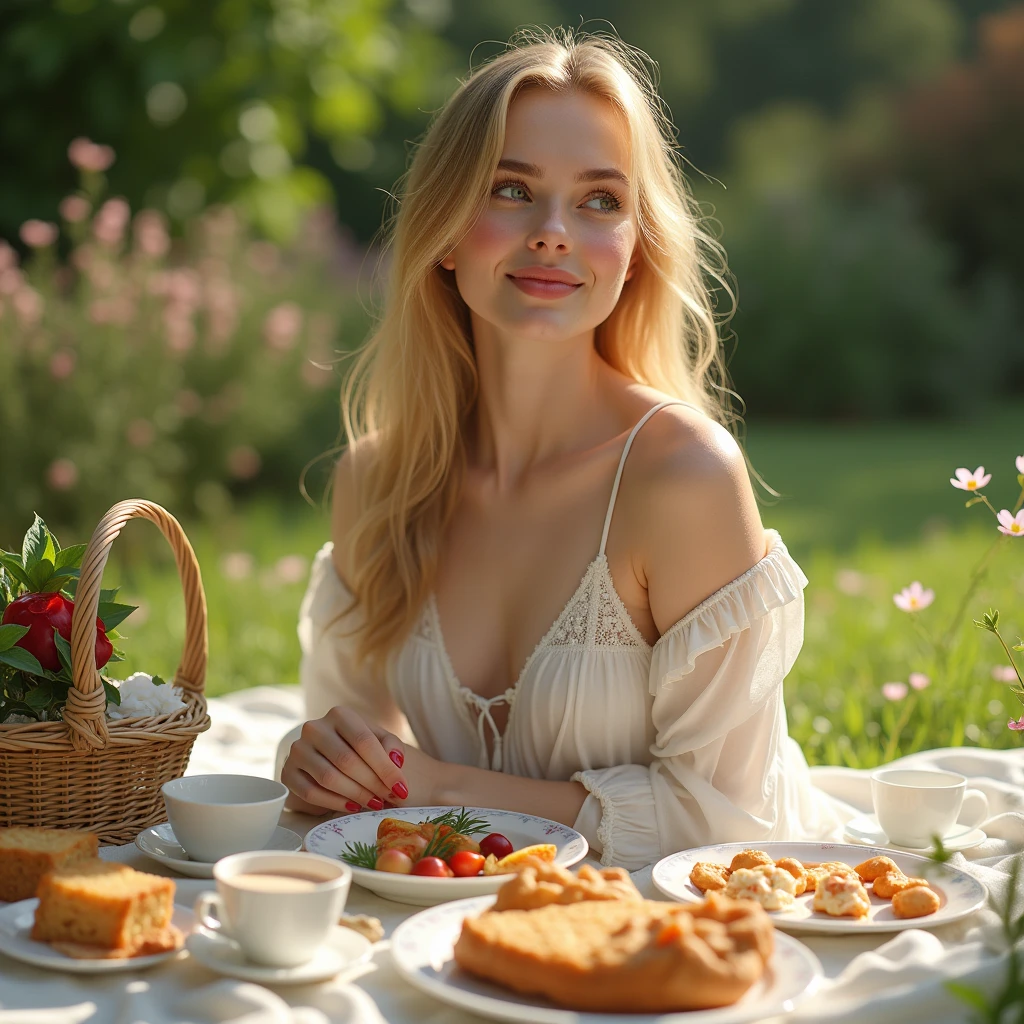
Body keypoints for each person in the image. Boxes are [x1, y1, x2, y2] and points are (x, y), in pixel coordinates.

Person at [278, 28, 840, 870]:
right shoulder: (378, 481)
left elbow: (728, 821)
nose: (553, 232)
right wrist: (325, 760)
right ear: (442, 230)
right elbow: (356, 759)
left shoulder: (683, 477)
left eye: (600, 201)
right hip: (443, 905)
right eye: (511, 189)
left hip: (664, 922)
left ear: (636, 247)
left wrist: (439, 786)